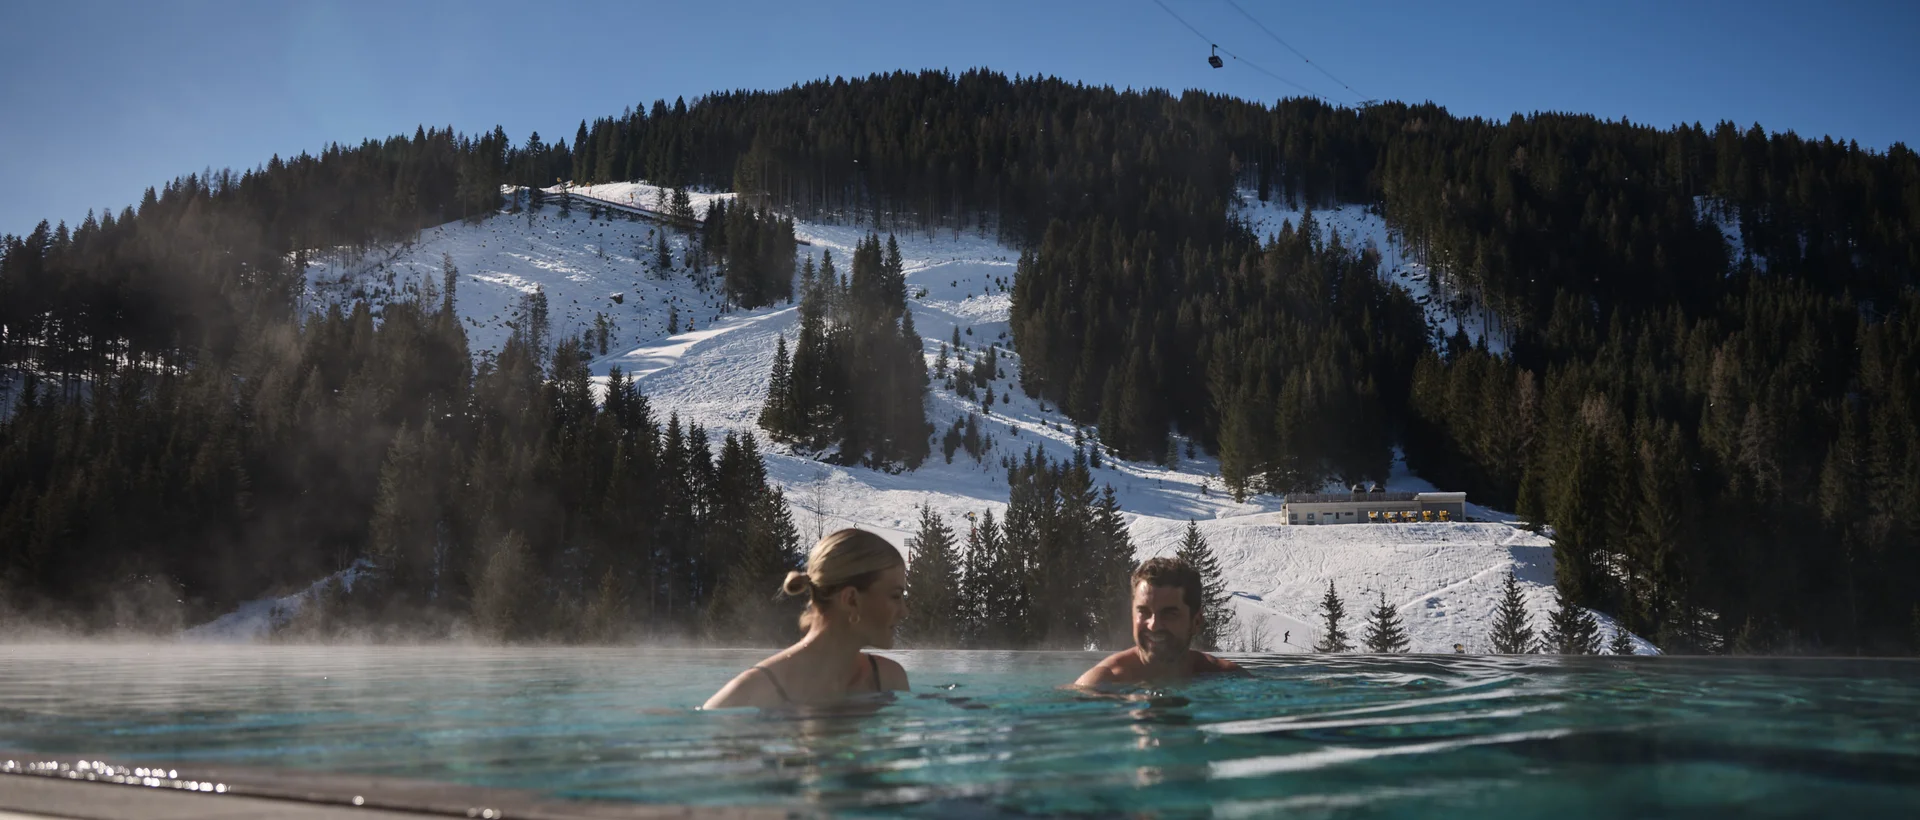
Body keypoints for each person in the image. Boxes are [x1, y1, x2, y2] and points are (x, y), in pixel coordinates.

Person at [703, 528, 910, 709]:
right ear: (851, 600)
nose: (904, 611)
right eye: (895, 596)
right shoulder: (751, 692)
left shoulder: (888, 678)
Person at [1074, 556, 1247, 687]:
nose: (1154, 625)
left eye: (1169, 614)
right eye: (1144, 612)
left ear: (1196, 621)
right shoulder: (1101, 683)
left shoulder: (1224, 676)